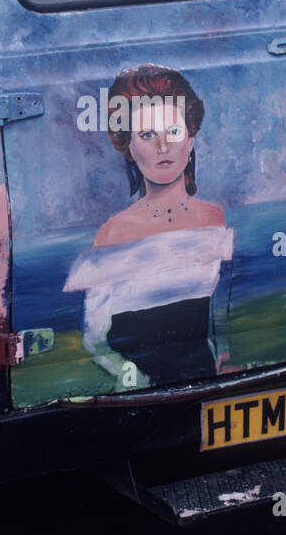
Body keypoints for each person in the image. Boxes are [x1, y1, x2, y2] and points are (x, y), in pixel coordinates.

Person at [63, 65, 232, 387]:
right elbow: (95, 341)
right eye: (147, 135)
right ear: (129, 148)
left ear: (191, 139)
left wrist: (222, 356)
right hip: (140, 393)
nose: (163, 146)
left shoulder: (213, 219)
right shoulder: (113, 234)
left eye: (173, 131)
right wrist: (131, 377)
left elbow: (215, 315)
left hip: (205, 381)